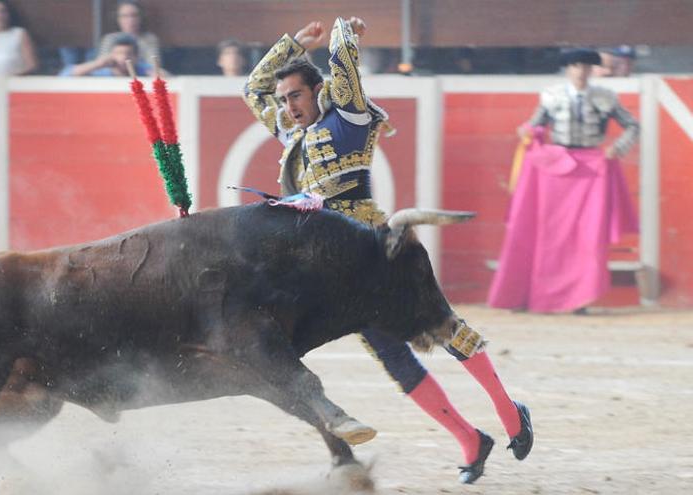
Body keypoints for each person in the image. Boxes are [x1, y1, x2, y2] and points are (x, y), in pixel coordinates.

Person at [244, 17, 533, 484]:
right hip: (332, 269)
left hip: (381, 252)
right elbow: (254, 87)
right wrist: (294, 44)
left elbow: (344, 68)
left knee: (442, 328)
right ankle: (469, 440)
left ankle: (509, 411)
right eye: (285, 100)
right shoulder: (290, 132)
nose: (288, 106)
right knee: (394, 359)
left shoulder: (350, 117)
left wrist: (342, 33)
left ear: (319, 90)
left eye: (296, 95)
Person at [488, 48, 639, 313]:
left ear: (592, 70)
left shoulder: (605, 97)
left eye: (586, 67)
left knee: (587, 236)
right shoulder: (552, 96)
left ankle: (577, 299)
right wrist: (526, 131)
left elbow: (633, 126)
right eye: (576, 66)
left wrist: (619, 147)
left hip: (592, 170)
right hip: (555, 169)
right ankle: (533, 295)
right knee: (550, 234)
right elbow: (534, 126)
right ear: (568, 69)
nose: (581, 71)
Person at [0, 0, 38, 76]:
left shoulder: (20, 34)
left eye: (2, 11)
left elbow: (32, 65)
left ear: (9, 14)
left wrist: (12, 79)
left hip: (15, 85)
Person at [98, 0, 160, 65]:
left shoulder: (150, 39)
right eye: (125, 16)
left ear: (141, 18)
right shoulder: (109, 39)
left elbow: (154, 65)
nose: (130, 20)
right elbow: (101, 64)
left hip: (142, 74)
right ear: (118, 19)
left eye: (134, 15)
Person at [59, 34, 151, 77]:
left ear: (136, 56)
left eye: (128, 54)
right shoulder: (103, 72)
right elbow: (65, 74)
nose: (123, 57)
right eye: (119, 53)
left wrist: (148, 73)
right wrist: (98, 64)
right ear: (111, 54)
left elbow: (163, 76)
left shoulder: (142, 68)